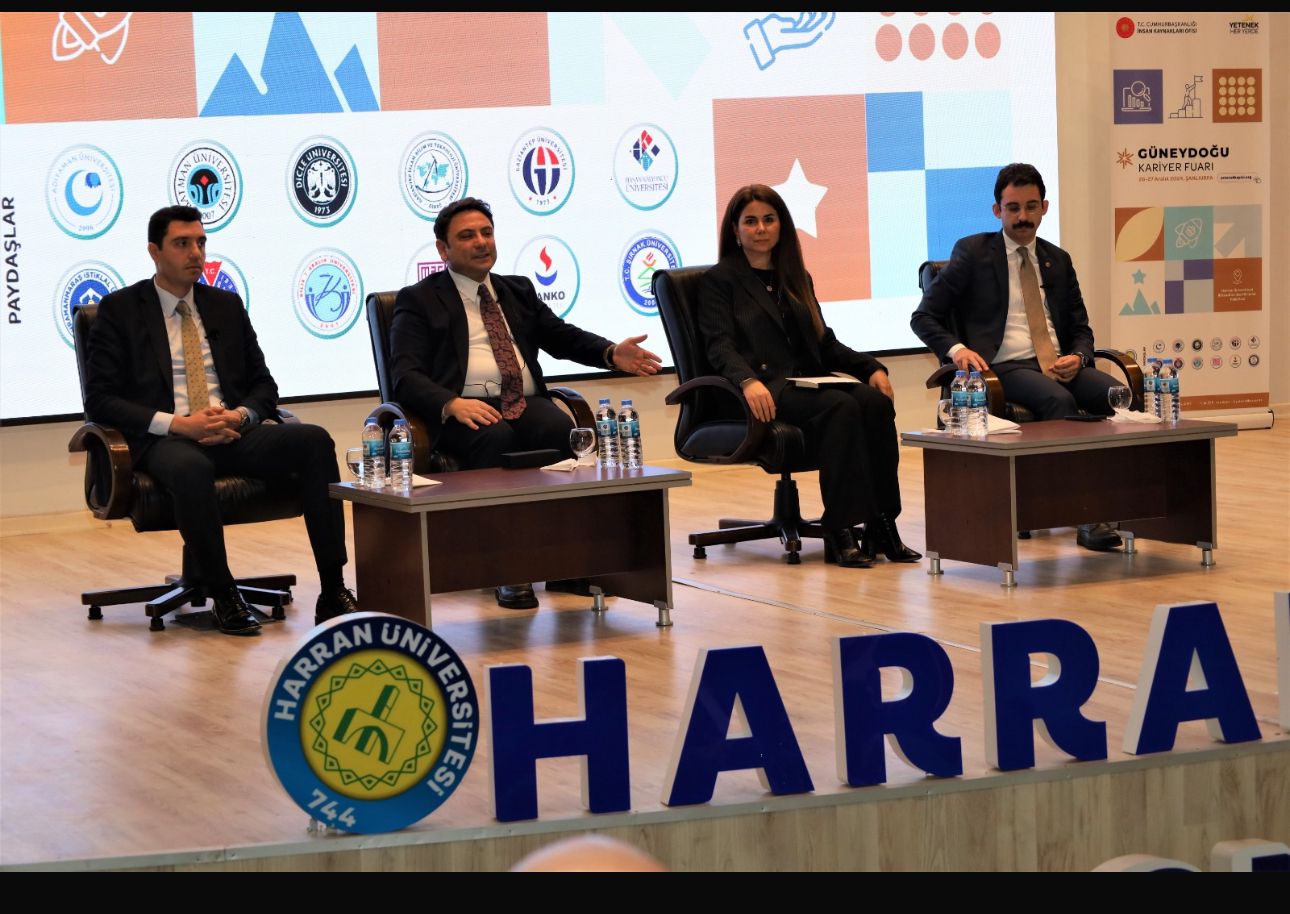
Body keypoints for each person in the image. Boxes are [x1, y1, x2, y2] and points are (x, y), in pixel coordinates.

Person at [84, 205, 359, 635]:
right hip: (168, 439)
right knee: (191, 468)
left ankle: (333, 588)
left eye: (201, 242)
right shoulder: (120, 310)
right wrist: (179, 424)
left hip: (231, 431)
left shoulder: (225, 305)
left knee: (314, 441)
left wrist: (241, 415)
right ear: (155, 251)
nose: (196, 252)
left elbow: (264, 385)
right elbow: (100, 400)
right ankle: (224, 593)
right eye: (182, 244)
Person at [390, 197, 663, 609]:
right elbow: (405, 374)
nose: (481, 242)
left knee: (562, 433)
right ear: (443, 249)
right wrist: (451, 403)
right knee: (494, 437)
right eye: (467, 236)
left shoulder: (516, 289)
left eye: (487, 233)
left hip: (522, 401)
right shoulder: (419, 299)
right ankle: (506, 569)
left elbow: (561, 336)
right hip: (466, 409)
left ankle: (568, 562)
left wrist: (610, 353)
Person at [699, 184, 920, 568]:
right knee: (840, 407)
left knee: (874, 403)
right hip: (762, 388)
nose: (761, 228)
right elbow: (719, 345)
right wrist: (747, 380)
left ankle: (883, 525)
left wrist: (871, 368)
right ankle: (840, 529)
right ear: (735, 229)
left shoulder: (796, 276)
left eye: (769, 219)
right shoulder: (720, 280)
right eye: (750, 221)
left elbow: (824, 343)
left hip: (806, 382)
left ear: (781, 225)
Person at [910, 162, 1123, 551]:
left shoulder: (1058, 259)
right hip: (1004, 366)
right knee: (1058, 401)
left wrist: (1079, 356)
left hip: (1058, 363)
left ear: (1044, 207)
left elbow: (1081, 327)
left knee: (1118, 396)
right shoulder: (973, 252)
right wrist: (958, 350)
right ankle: (1082, 514)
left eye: (1031, 206)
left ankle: (1126, 502)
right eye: (1013, 208)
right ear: (998, 211)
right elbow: (923, 317)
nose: (1022, 217)